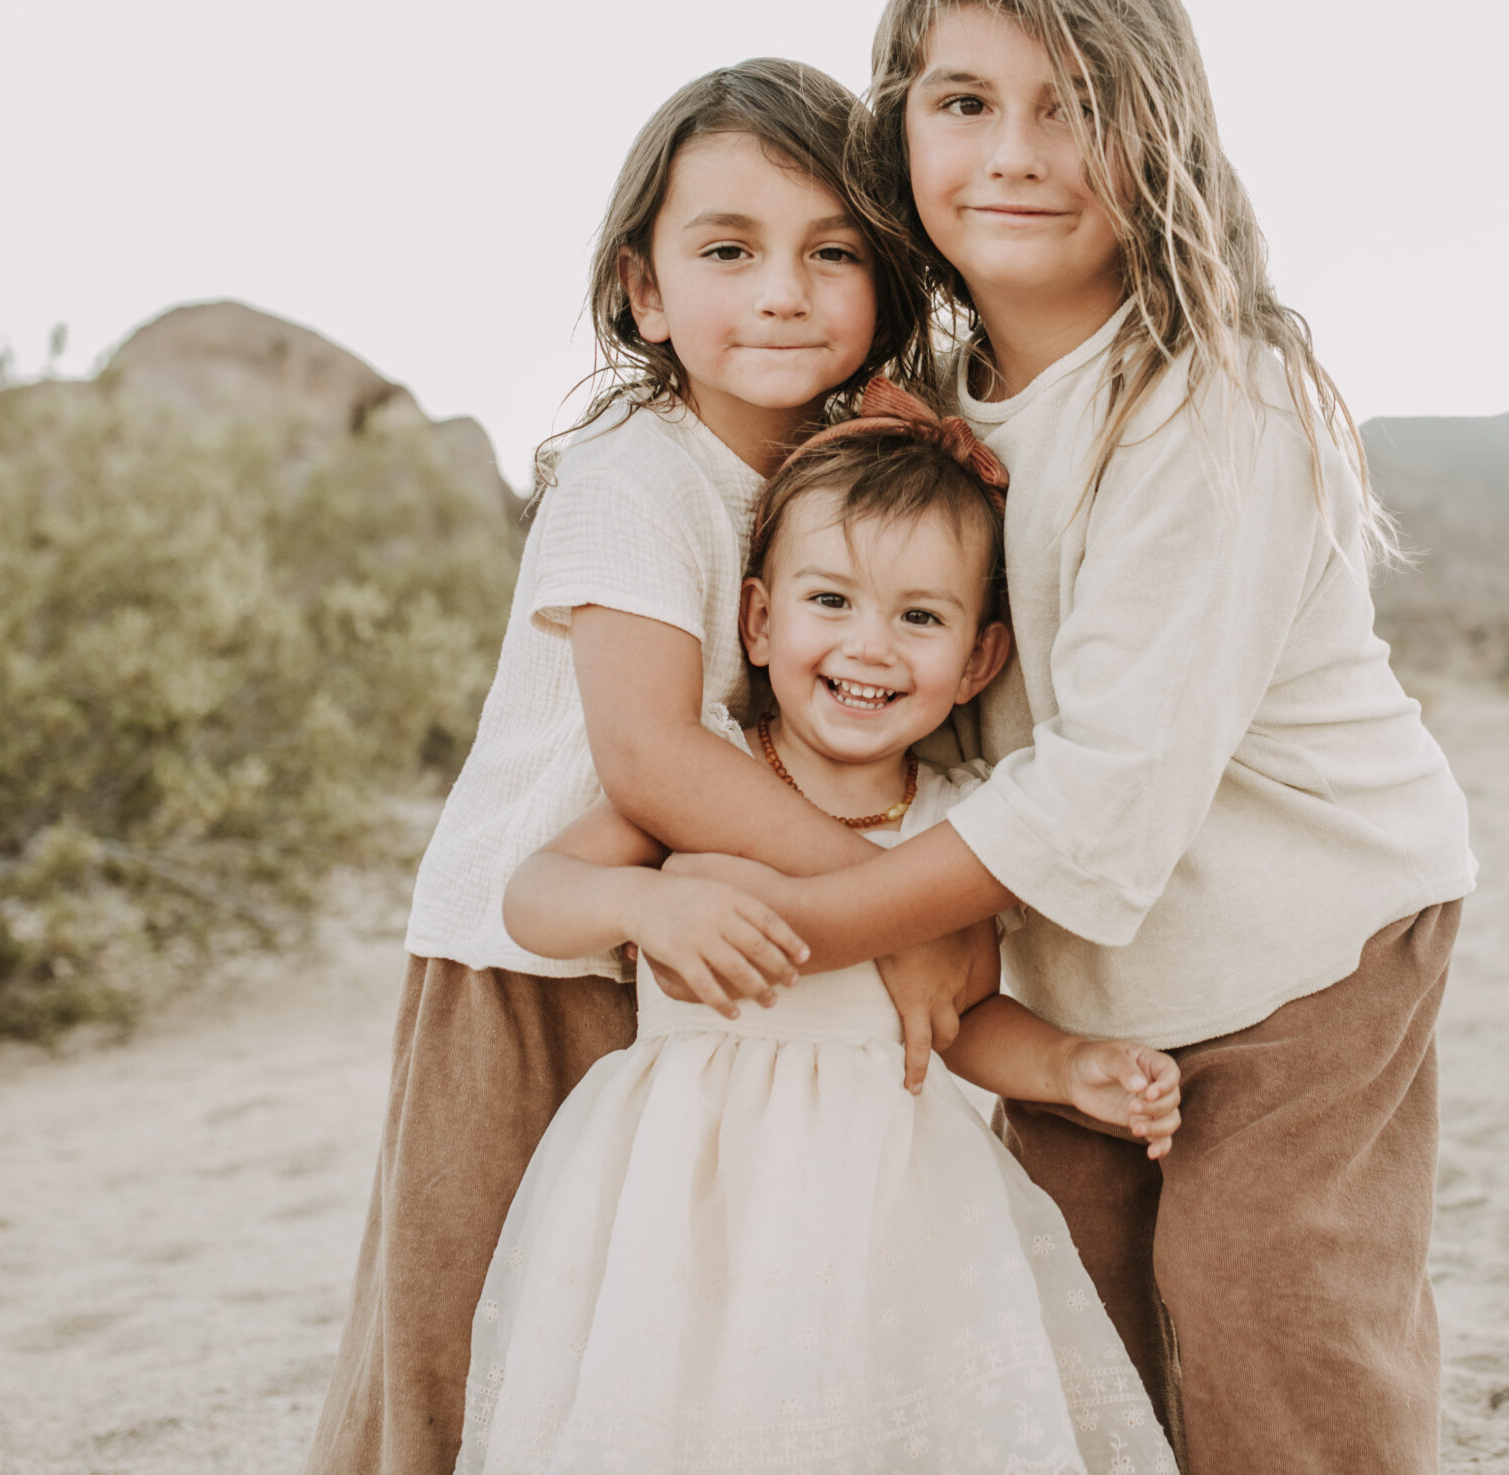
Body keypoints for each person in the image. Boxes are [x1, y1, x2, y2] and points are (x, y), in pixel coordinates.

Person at [664, 0, 1479, 1473]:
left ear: (1159, 132)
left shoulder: (1210, 396)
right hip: (1075, 976)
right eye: (965, 102)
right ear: (902, 124)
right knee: (1091, 1337)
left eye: (1074, 105)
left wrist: (806, 925)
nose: (1015, 152)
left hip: (1304, 935)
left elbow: (1108, 785)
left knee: (1268, 1314)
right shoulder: (929, 409)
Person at [307, 59, 975, 1475]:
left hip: (670, 961)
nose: (783, 290)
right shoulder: (635, 477)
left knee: (624, 1342)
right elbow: (655, 753)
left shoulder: (816, 469)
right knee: (466, 1330)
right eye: (729, 250)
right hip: (525, 953)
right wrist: (909, 905)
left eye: (833, 251)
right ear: (646, 291)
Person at [457, 398, 1180, 1475]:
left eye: (919, 619)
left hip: (889, 1198)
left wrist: (1070, 1068)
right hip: (681, 1196)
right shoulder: (703, 783)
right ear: (757, 621)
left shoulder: (957, 826)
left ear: (981, 660)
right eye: (829, 600)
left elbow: (964, 1015)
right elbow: (535, 893)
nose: (867, 647)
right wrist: (642, 904)